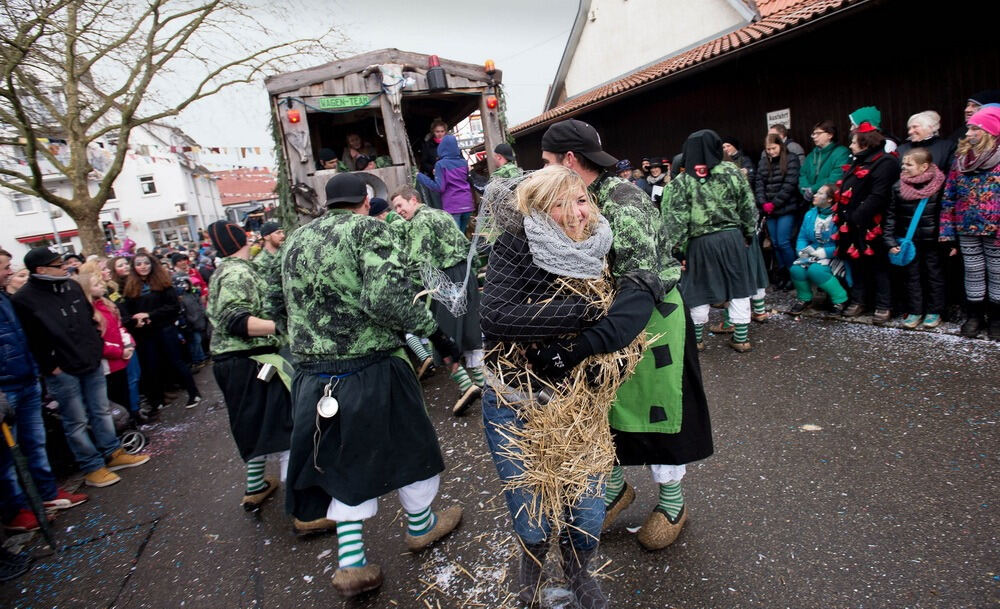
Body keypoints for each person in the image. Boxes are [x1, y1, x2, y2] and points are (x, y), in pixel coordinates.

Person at [279, 172, 462, 597]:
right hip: (371, 369)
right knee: (410, 448)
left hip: (314, 376)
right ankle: (422, 526)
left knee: (340, 462)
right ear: (366, 199)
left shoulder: (294, 241)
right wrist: (435, 334)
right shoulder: (368, 232)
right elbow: (387, 299)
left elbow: (281, 304)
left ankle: (351, 564)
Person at [540, 119, 712, 552]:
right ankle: (616, 488)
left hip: (650, 321)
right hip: (601, 323)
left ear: (571, 160)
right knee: (603, 405)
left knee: (656, 412)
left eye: (546, 162)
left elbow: (642, 275)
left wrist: (600, 332)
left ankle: (673, 501)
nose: (540, 171)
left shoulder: (624, 200)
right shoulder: (570, 197)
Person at [479, 166, 621, 608]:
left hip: (581, 405)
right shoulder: (518, 242)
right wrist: (581, 315)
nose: (577, 212)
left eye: (581, 199)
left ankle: (579, 574)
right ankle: (531, 579)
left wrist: (601, 354)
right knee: (533, 513)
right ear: (541, 208)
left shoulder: (600, 242)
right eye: (562, 203)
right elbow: (496, 316)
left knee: (589, 510)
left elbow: (625, 316)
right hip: (517, 400)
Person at [11, 246, 149, 488]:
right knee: (75, 420)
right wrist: (50, 366)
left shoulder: (72, 286)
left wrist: (95, 347)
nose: (65, 267)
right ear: (40, 269)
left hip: (90, 360)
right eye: (58, 265)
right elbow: (30, 338)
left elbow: (89, 319)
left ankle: (113, 453)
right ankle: (91, 466)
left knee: (101, 411)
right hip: (62, 370)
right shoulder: (25, 299)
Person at [205, 220, 293, 513]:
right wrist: (286, 325)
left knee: (255, 426)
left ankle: (256, 487)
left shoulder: (226, 270)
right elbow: (237, 320)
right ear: (243, 239)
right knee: (285, 428)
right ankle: (304, 507)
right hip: (249, 362)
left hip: (238, 363)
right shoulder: (236, 272)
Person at [1, 249, 88, 532]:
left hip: (26, 379)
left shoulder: (7, 299)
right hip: (6, 387)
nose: (9, 271)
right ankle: (16, 510)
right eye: (4, 267)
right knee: (6, 455)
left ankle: (47, 494)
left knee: (35, 443)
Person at [389, 186, 484, 415]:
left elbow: (418, 260)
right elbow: (464, 243)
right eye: (395, 208)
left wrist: (409, 289)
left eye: (400, 205)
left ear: (414, 200)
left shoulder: (419, 222)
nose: (399, 211)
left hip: (445, 280)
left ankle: (466, 384)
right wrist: (475, 273)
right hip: (465, 274)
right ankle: (482, 383)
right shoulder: (442, 213)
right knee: (471, 331)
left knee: (441, 334)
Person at [663, 129, 759, 352]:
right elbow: (747, 206)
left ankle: (696, 341)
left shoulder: (681, 183)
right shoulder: (732, 172)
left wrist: (677, 252)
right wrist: (748, 233)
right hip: (732, 238)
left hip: (700, 244)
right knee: (739, 287)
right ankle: (741, 339)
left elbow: (674, 221)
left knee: (698, 290)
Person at [939, 105, 1000, 338]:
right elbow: (949, 196)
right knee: (972, 273)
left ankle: (996, 318)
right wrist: (947, 233)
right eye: (969, 128)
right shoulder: (961, 159)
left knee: (997, 273)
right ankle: (974, 316)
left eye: (975, 129)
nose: (969, 133)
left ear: (989, 131)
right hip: (966, 226)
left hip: (996, 229)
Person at [833, 122, 900, 322]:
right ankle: (860, 300)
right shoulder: (858, 161)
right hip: (852, 224)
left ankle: (884, 304)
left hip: (871, 224)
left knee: (879, 266)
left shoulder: (885, 162)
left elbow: (878, 195)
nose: (851, 146)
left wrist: (856, 216)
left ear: (865, 143)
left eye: (854, 142)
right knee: (858, 265)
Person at [121, 253, 202, 408]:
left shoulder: (163, 284)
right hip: (145, 333)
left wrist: (151, 315)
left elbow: (174, 307)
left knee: (177, 361)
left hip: (165, 329)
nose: (143, 266)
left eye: (146, 263)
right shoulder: (131, 288)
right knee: (151, 365)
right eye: (139, 264)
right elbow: (128, 310)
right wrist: (135, 320)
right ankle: (157, 400)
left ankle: (194, 393)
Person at [884, 148, 948, 329]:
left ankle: (935, 311)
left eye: (909, 164)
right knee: (911, 277)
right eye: (903, 163)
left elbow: (946, 213)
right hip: (908, 241)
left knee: (934, 276)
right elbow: (891, 216)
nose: (904, 167)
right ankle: (915, 310)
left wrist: (947, 238)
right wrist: (889, 240)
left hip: (932, 241)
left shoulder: (939, 185)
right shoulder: (898, 186)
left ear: (924, 166)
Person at [75, 270, 146, 424]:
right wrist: (119, 352)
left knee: (126, 393)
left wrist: (127, 345)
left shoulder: (107, 305)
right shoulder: (88, 312)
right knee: (115, 402)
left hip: (121, 359)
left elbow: (119, 327)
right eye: (96, 284)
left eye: (101, 282)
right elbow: (96, 341)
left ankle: (131, 424)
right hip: (107, 364)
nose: (102, 286)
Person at [788, 184, 849, 315]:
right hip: (814, 251)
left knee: (816, 270)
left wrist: (825, 252)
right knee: (796, 269)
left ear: (830, 199)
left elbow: (844, 243)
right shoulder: (810, 214)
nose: (815, 195)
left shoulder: (840, 216)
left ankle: (840, 299)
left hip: (835, 254)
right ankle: (804, 299)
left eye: (820, 193)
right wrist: (801, 250)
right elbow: (802, 236)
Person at [756, 133, 803, 290]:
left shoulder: (791, 159)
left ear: (780, 145)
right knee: (775, 243)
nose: (771, 152)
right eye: (768, 149)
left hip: (786, 207)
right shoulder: (764, 163)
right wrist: (763, 203)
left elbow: (790, 184)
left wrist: (774, 203)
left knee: (783, 242)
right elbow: (759, 184)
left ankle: (794, 274)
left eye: (773, 148)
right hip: (770, 210)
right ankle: (782, 274)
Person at [417, 134, 476, 232]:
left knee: (456, 239)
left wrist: (421, 177)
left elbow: (440, 188)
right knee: (462, 236)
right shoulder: (463, 162)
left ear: (442, 148)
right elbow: (462, 178)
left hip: (453, 206)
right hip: (467, 204)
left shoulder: (440, 164)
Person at [799, 120, 850, 203]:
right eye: (813, 134)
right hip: (812, 202)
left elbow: (836, 177)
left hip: (831, 202)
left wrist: (812, 189)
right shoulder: (811, 155)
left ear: (830, 135)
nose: (814, 136)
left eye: (818, 133)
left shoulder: (842, 153)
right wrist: (805, 190)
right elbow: (802, 174)